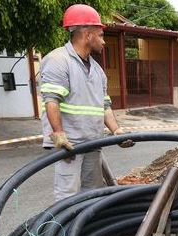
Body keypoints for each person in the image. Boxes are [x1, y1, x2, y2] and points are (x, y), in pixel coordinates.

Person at [39, 4, 132, 202]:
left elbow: (104, 106)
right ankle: (64, 232)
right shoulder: (58, 60)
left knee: (93, 193)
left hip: (93, 142)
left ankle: (88, 232)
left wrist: (117, 131)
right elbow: (52, 100)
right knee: (68, 196)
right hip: (70, 145)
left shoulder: (97, 71)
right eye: (100, 35)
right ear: (87, 35)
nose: (104, 41)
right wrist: (59, 135)